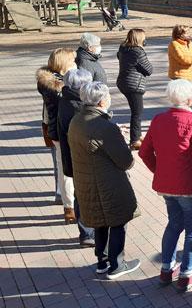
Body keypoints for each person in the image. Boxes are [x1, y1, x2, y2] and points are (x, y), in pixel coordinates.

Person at [139, 79, 192, 292]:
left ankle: (166, 269)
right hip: (190, 186)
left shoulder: (158, 120)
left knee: (174, 224)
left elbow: (144, 152)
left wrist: (160, 171)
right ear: (190, 99)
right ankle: (186, 274)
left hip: (167, 186)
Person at [68, 82, 141, 279]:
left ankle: (102, 260)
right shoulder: (104, 127)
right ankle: (117, 265)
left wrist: (114, 133)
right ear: (101, 101)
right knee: (118, 221)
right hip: (108, 183)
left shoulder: (77, 121)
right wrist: (120, 138)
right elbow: (126, 161)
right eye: (108, 96)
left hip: (87, 182)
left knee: (100, 222)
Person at [36, 47, 77, 222]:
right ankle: (69, 206)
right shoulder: (62, 87)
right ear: (64, 63)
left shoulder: (47, 83)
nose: (75, 63)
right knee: (67, 170)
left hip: (55, 131)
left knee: (63, 168)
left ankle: (69, 205)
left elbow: (46, 111)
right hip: (66, 132)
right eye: (72, 60)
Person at [57, 68, 95, 246]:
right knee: (87, 195)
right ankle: (89, 232)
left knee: (80, 195)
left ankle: (86, 232)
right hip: (83, 158)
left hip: (70, 157)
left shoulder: (64, 100)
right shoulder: (79, 105)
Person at [117, 29, 153, 150]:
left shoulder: (123, 49)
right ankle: (134, 140)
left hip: (123, 82)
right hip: (134, 85)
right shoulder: (138, 52)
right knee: (137, 112)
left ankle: (137, 135)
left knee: (136, 111)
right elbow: (149, 70)